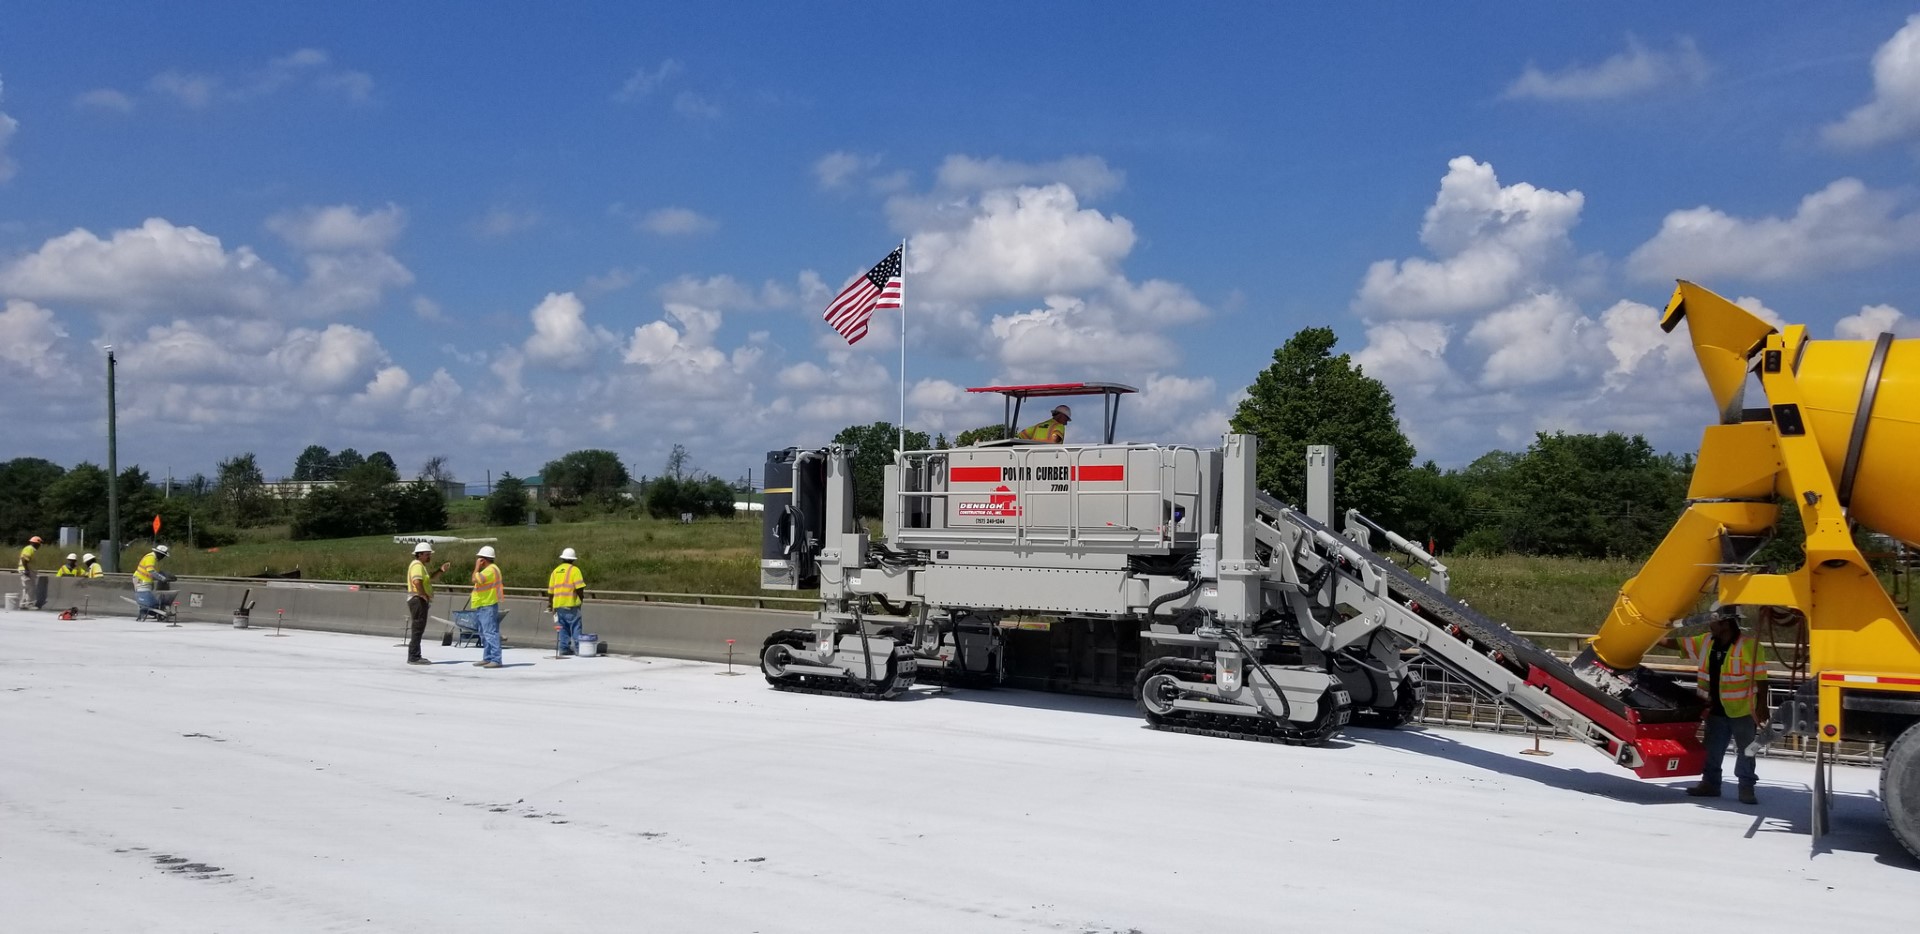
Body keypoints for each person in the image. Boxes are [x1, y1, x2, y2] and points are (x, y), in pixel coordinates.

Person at [1677, 609, 1769, 804]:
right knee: (1711, 749)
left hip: (1742, 710)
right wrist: (1647, 634)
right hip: (1715, 709)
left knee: (1747, 750)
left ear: (1726, 624)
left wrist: (1762, 706)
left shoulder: (1748, 646)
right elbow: (1677, 644)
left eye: (1713, 622)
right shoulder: (1706, 641)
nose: (1710, 625)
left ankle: (1746, 788)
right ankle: (1710, 785)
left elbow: (1761, 678)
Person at [404, 542, 451, 665]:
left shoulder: (420, 566)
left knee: (418, 628)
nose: (429, 556)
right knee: (418, 628)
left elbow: (428, 579)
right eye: (427, 554)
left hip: (418, 599)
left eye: (430, 554)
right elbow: (417, 582)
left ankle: (415, 655)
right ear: (419, 554)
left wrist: (440, 570)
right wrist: (423, 595)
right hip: (418, 599)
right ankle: (414, 657)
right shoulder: (417, 565)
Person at [547, 547, 587, 657]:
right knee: (575, 627)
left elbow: (550, 591)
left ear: (562, 558)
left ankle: (564, 649)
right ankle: (579, 649)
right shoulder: (575, 570)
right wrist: (581, 599)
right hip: (571, 604)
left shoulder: (555, 571)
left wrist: (550, 604)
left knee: (562, 628)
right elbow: (579, 588)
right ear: (573, 559)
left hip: (558, 605)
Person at [470, 545, 504, 669]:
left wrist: (476, 567)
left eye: (479, 559)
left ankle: (496, 659)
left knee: (490, 633)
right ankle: (488, 657)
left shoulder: (490, 570)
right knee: (484, 633)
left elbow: (474, 579)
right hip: (483, 604)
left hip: (487, 605)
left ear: (483, 560)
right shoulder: (490, 569)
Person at [132, 545, 170, 621]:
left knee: (145, 598)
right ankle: (143, 613)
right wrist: (163, 578)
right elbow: (151, 571)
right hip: (141, 580)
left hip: (144, 581)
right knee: (143, 598)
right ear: (159, 554)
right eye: (163, 556)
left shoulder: (153, 558)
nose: (163, 558)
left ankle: (144, 613)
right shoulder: (151, 558)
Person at [16, 535, 43, 610]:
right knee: (31, 588)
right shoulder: (30, 549)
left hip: (25, 570)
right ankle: (29, 604)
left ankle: (23, 604)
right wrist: (27, 570)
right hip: (26, 570)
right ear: (35, 543)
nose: (39, 546)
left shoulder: (30, 549)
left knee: (27, 588)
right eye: (39, 544)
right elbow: (24, 560)